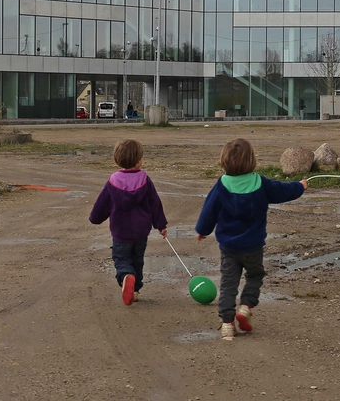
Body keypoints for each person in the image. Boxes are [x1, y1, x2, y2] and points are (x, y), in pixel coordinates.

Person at [195, 138, 308, 340]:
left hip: (229, 247)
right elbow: (283, 190)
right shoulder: (260, 183)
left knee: (228, 283)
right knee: (255, 276)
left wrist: (203, 230)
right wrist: (300, 186)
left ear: (224, 161)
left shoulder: (222, 185)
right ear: (251, 161)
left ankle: (227, 324)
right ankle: (246, 307)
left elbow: (209, 211)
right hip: (253, 246)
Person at [90, 139, 168, 306]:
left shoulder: (113, 181)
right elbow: (155, 203)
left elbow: (102, 203)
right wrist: (160, 224)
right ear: (139, 161)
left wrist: (95, 218)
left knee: (121, 258)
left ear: (117, 159)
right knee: (137, 260)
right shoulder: (145, 180)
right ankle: (135, 289)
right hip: (141, 231)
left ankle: (126, 276)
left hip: (121, 231)